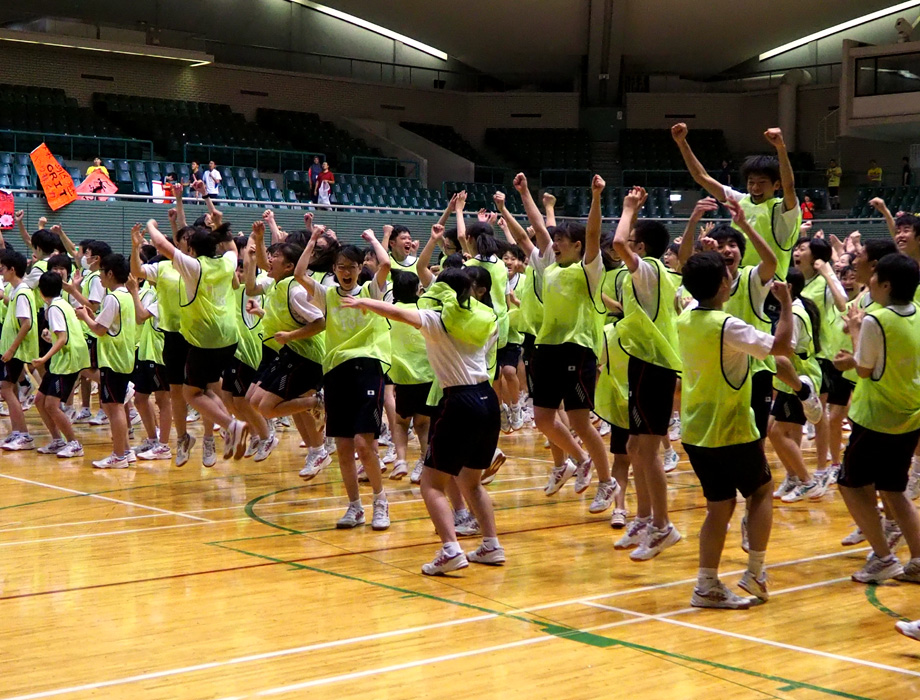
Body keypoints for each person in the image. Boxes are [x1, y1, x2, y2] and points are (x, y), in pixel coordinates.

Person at [341, 266, 504, 574]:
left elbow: (398, 313)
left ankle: (450, 549)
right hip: (487, 400)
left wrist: (364, 302)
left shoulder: (435, 320)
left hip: (460, 402)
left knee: (431, 483)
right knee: (471, 481)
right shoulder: (486, 320)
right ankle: (491, 545)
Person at [679, 252, 794, 608]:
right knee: (761, 491)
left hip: (695, 430)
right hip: (730, 428)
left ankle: (706, 584)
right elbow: (781, 347)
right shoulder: (727, 325)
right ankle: (756, 572)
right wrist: (786, 306)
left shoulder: (684, 319)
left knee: (720, 506)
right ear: (723, 284)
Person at [516, 173, 619, 516]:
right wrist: (525, 192)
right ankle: (580, 459)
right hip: (546, 348)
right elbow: (536, 226)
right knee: (543, 418)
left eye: (563, 239)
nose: (555, 242)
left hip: (577, 349)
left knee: (580, 421)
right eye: (555, 238)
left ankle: (607, 482)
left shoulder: (589, 271)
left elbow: (592, 233)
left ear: (579, 247)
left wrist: (596, 197)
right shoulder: (549, 269)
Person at [294, 228, 391, 531]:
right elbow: (299, 274)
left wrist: (374, 239)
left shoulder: (370, 291)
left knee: (365, 444)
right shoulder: (327, 295)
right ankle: (354, 507)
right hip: (335, 372)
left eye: (351, 266)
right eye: (341, 266)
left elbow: (386, 264)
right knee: (345, 447)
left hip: (367, 368)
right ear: (334, 269)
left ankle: (380, 501)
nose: (346, 272)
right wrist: (312, 241)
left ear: (360, 267)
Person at [834, 254, 920, 585]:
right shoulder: (916, 315)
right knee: (894, 490)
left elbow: (865, 369)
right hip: (908, 416)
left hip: (875, 418)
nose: (869, 280)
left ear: (886, 285)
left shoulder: (876, 319)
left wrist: (854, 336)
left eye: (875, 277)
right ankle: (917, 558)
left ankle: (884, 558)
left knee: (850, 485)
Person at [612, 186, 682, 560]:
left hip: (655, 365)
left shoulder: (651, 270)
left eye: (636, 242)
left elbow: (620, 241)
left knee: (650, 449)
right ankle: (643, 517)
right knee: (635, 446)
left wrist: (626, 208)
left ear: (642, 248)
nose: (627, 246)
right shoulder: (650, 273)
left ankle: (663, 525)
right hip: (643, 363)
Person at [146, 219, 249, 465]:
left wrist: (150, 224)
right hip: (230, 337)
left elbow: (161, 244)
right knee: (204, 388)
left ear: (191, 250)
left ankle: (231, 425)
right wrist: (222, 231)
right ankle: (228, 428)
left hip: (205, 340)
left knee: (190, 393)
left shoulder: (194, 267)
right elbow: (233, 248)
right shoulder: (226, 262)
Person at [673, 124, 800, 286]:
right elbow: (702, 177)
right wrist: (682, 142)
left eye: (762, 182)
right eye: (751, 182)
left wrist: (781, 147)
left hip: (768, 286)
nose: (755, 187)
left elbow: (789, 188)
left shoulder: (782, 210)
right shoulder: (741, 201)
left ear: (776, 185)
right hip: (736, 284)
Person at [74, 254, 135, 468]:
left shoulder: (112, 298)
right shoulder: (127, 296)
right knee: (114, 407)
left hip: (113, 359)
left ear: (110, 273)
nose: (99, 276)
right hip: (124, 357)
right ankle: (126, 451)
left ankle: (119, 456)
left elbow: (99, 330)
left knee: (114, 407)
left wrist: (85, 317)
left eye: (101, 271)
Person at [32, 271, 89, 458]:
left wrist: (43, 358)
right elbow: (63, 334)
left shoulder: (54, 308)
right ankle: (57, 440)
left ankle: (74, 443)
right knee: (39, 400)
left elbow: (63, 338)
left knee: (51, 405)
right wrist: (51, 338)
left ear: (41, 291)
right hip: (62, 360)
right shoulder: (62, 303)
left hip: (68, 361)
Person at [0, 250, 37, 450]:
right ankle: (16, 432)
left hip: (15, 351)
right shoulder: (15, 291)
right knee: (10, 388)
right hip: (10, 349)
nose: (1, 272)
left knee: (5, 389)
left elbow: (26, 323)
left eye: (3, 269)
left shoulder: (22, 292)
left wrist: (12, 349)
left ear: (12, 270)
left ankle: (24, 435)